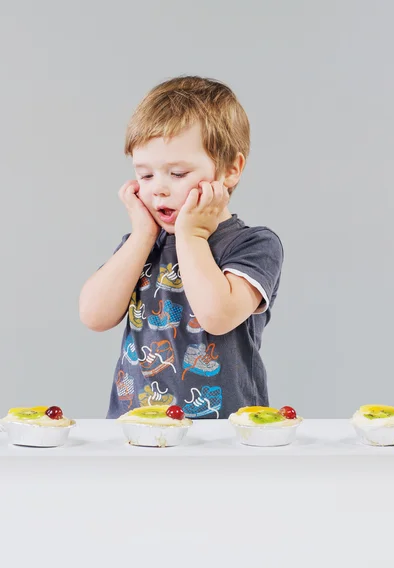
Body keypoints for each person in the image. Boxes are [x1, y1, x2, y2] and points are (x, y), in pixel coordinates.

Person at [79, 75, 284, 419]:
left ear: (231, 170)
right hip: (135, 432)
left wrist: (192, 236)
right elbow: (94, 316)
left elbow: (217, 317)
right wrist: (142, 236)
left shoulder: (253, 245)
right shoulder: (141, 245)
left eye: (176, 173)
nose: (158, 189)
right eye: (145, 175)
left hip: (223, 436)